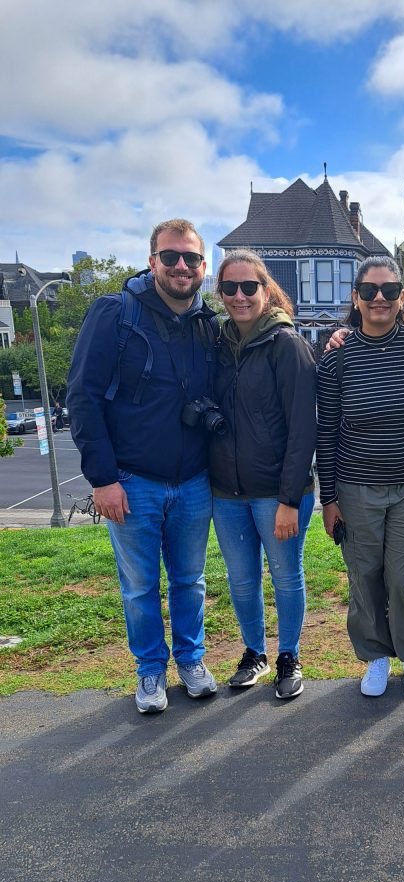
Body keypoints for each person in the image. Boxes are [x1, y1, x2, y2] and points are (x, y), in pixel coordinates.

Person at [68, 219, 219, 714]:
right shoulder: (115, 313)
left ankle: (191, 661)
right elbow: (83, 398)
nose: (181, 266)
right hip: (132, 481)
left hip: (194, 482)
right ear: (152, 260)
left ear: (203, 266)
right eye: (171, 256)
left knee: (189, 582)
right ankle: (151, 671)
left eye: (191, 258)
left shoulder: (207, 323)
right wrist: (103, 479)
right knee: (139, 587)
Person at [317, 256, 404, 697]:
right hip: (356, 486)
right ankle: (374, 656)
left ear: (401, 297)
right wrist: (328, 498)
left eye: (389, 290)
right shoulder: (337, 358)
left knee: (401, 576)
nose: (379, 299)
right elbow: (327, 429)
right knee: (365, 575)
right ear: (355, 298)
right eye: (369, 291)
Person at [209, 250, 317, 699]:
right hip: (227, 492)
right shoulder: (215, 342)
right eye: (229, 288)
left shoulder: (287, 344)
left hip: (278, 492)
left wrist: (290, 498)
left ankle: (289, 655)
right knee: (241, 580)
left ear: (266, 290)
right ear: (219, 293)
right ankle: (254, 652)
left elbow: (303, 427)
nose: (239, 296)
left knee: (286, 576)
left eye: (249, 287)